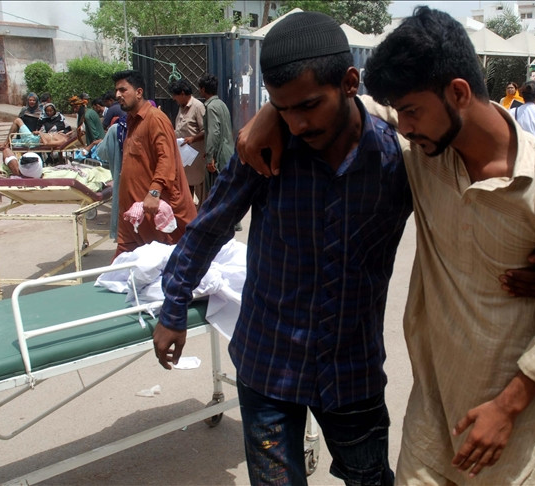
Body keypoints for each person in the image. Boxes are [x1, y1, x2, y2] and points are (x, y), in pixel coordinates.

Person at [238, 6, 535, 484]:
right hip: (432, 414)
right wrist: (273, 112)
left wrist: (508, 408)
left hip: (510, 419)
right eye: (401, 113)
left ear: (458, 93)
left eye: (411, 112)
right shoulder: (427, 155)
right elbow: (348, 101)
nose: (403, 126)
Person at [155, 13, 411, 484]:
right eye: (282, 108)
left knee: (371, 479)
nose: (296, 122)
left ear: (351, 82)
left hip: (352, 368)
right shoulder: (265, 152)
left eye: (309, 105)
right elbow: (209, 228)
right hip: (268, 363)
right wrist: (173, 308)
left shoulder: (398, 163)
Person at [111, 69, 197, 256]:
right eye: (116, 91)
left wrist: (154, 192)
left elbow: (166, 158)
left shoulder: (155, 119)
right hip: (133, 213)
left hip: (153, 209)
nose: (118, 95)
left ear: (139, 92)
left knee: (166, 262)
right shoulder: (132, 121)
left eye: (123, 90)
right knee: (123, 264)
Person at [168, 79, 207, 208]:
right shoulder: (181, 107)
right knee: (185, 186)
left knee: (200, 188)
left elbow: (205, 130)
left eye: (176, 96)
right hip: (184, 155)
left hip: (196, 155)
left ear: (183, 93)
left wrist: (192, 139)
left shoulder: (197, 107)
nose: (175, 99)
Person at [197, 73, 234, 198]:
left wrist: (210, 157)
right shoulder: (221, 104)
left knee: (217, 194)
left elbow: (214, 133)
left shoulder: (211, 107)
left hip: (219, 157)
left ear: (203, 89)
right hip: (226, 153)